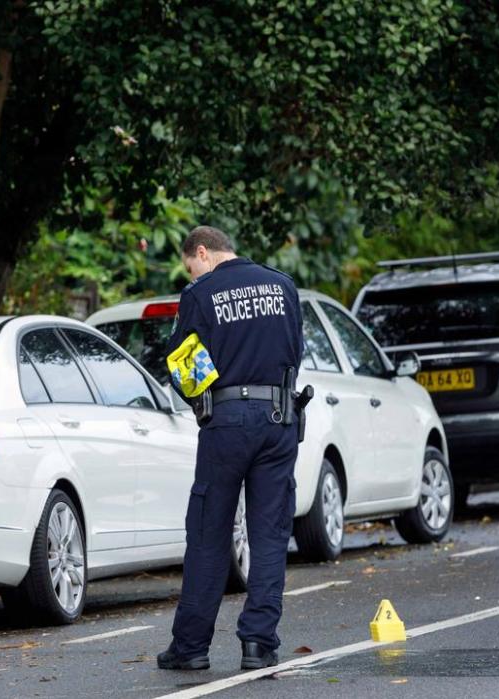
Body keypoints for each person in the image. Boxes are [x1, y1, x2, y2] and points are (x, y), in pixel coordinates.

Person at [157, 226, 304, 671]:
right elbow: (294, 353)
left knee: (208, 533)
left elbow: (181, 366)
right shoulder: (283, 286)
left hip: (225, 422)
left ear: (202, 252)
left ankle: (191, 648)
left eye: (191, 265)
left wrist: (206, 399)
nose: (191, 272)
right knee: (270, 535)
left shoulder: (201, 294)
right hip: (279, 418)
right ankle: (258, 644)